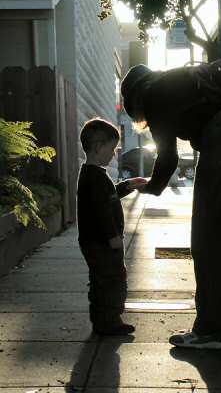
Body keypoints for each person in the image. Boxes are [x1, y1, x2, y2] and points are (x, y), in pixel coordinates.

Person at [121, 61, 221, 349]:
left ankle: (213, 330)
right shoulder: (184, 80)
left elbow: (167, 158)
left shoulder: (153, 93)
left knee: (212, 236)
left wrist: (152, 187)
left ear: (133, 96)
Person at [77, 117, 146, 335]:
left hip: (95, 242)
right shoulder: (95, 177)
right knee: (112, 281)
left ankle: (103, 321)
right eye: (113, 148)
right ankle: (110, 321)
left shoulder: (92, 175)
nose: (115, 153)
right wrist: (113, 237)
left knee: (101, 281)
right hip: (102, 242)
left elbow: (109, 196)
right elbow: (102, 211)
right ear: (98, 148)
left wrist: (127, 185)